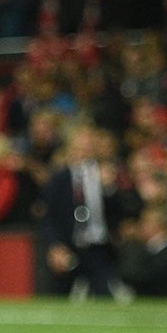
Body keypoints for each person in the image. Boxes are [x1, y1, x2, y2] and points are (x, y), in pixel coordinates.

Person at [41, 120, 133, 303]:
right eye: (80, 144)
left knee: (104, 295)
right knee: (56, 298)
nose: (83, 150)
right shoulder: (60, 179)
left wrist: (109, 190)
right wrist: (55, 245)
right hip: (70, 245)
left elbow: (120, 212)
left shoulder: (106, 175)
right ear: (71, 147)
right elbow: (49, 216)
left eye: (88, 144)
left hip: (98, 247)